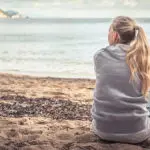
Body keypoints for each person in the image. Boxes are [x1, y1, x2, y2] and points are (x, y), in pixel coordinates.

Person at [91, 16, 150, 144]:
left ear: (115, 35)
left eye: (109, 31)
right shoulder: (143, 58)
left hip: (103, 130)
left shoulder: (99, 56)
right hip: (138, 133)